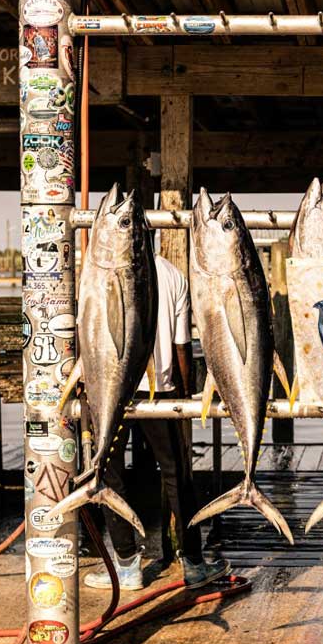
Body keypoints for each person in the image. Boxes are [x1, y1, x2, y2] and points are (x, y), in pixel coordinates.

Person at [84, 251, 229, 591]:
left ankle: (127, 565)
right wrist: (181, 394)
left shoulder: (97, 269)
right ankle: (193, 563)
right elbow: (182, 345)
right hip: (160, 389)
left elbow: (87, 329)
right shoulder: (172, 273)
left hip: (111, 386)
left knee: (109, 473)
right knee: (177, 473)